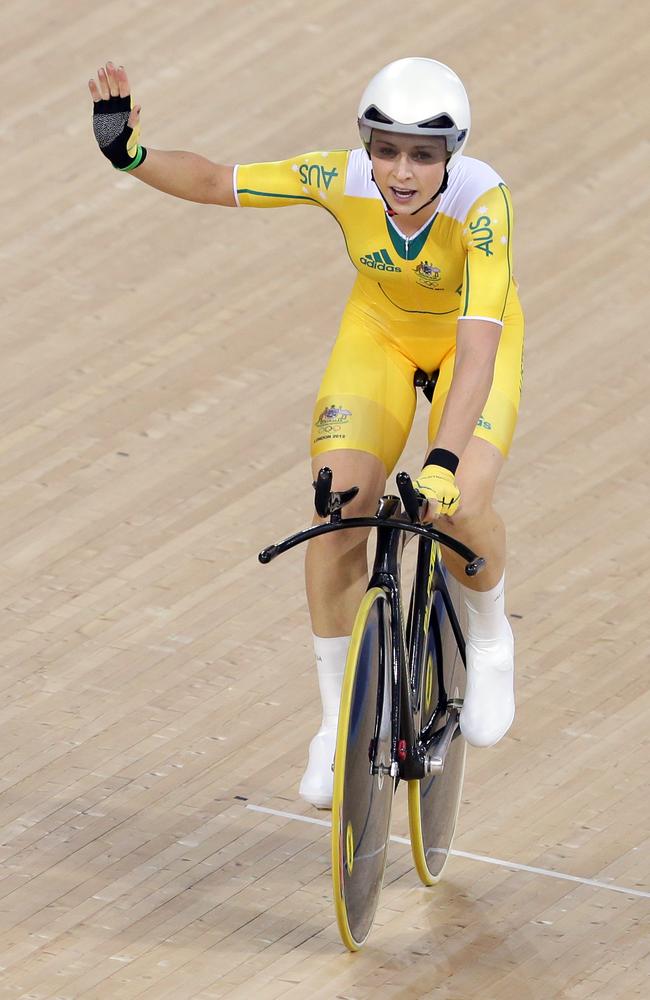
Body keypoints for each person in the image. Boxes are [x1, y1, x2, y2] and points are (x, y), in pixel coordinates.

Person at [89, 56, 524, 810]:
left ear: (452, 153)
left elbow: (480, 345)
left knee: (457, 505)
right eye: (385, 149)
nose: (402, 171)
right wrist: (128, 153)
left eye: (423, 154)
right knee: (337, 517)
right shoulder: (340, 178)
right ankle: (335, 724)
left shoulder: (484, 204)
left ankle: (489, 635)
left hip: (467, 345)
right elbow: (220, 181)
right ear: (365, 146)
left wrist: (445, 460)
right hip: (380, 339)